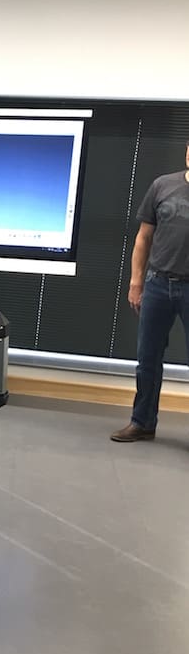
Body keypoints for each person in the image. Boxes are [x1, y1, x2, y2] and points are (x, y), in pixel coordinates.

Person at [111, 140, 189, 442]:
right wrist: (136, 281)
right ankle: (142, 422)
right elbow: (143, 238)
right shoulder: (162, 186)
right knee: (147, 359)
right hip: (157, 285)